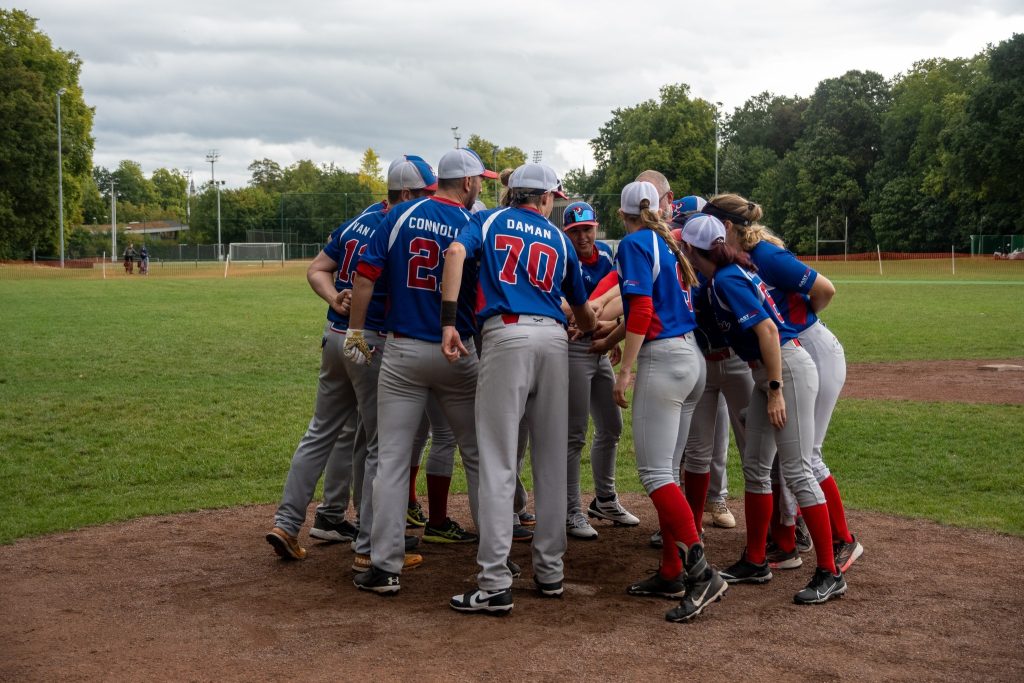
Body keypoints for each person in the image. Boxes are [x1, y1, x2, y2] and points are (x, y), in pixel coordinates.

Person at [265, 155, 437, 569]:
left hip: (335, 337)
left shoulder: (359, 220)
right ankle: (371, 545)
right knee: (380, 444)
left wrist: (332, 299)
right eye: (427, 193)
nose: (430, 200)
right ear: (409, 194)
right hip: (369, 341)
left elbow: (317, 270)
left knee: (320, 432)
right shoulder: (399, 225)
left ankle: (287, 523)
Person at [440, 162, 596, 614]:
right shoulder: (561, 239)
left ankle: (493, 582)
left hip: (505, 335)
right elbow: (583, 312)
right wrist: (586, 328)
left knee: (497, 460)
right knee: (550, 459)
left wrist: (450, 322)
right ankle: (550, 572)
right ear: (544, 198)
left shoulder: (487, 219)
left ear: (513, 193)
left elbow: (454, 254)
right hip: (552, 339)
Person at [347, 147, 496, 595]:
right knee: (478, 457)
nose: (482, 188)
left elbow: (365, 276)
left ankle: (385, 565)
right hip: (459, 350)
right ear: (467, 183)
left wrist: (356, 331)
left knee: (391, 460)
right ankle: (493, 562)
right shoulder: (474, 224)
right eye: (480, 181)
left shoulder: (399, 215)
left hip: (403, 350)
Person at [679, 213, 847, 604]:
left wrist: (774, 390)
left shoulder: (726, 279)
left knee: (798, 468)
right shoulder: (725, 274)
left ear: (691, 249)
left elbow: (769, 331)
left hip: (785, 368)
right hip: (769, 370)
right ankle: (756, 560)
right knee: (755, 465)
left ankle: (829, 571)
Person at [703, 194, 862, 573]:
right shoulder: (735, 264)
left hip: (808, 348)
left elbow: (825, 289)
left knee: (805, 458)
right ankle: (785, 541)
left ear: (725, 228)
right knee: (771, 462)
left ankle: (842, 542)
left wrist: (798, 322)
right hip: (781, 351)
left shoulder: (766, 256)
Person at [613, 181, 727, 623]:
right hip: (690, 358)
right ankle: (671, 570)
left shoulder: (636, 242)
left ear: (623, 215)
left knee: (655, 473)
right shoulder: (668, 242)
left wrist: (625, 369)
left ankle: (700, 573)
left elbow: (641, 310)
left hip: (664, 360)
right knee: (670, 470)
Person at [560, 200, 639, 540]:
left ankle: (604, 499)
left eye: (587, 229)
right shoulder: (562, 255)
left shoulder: (607, 256)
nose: (582, 237)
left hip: (599, 347)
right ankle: (569, 510)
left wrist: (610, 332)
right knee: (574, 434)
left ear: (597, 227)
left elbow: (621, 296)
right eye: (575, 231)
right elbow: (561, 306)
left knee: (611, 425)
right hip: (572, 349)